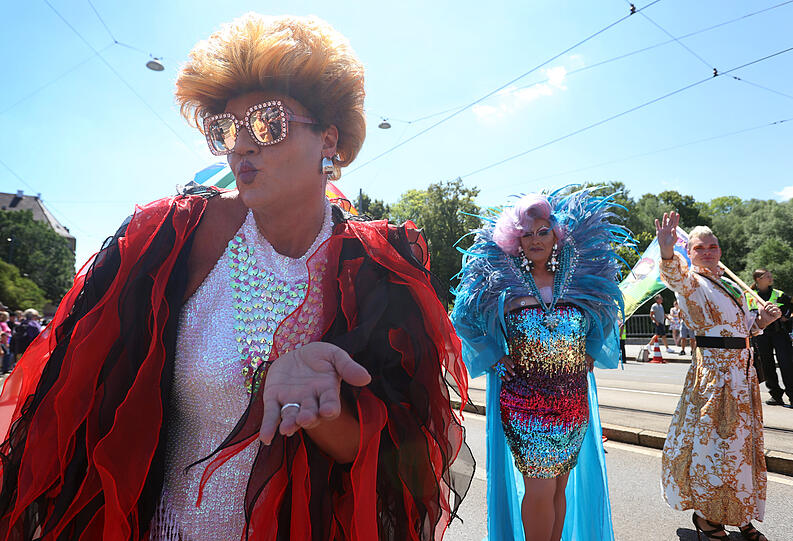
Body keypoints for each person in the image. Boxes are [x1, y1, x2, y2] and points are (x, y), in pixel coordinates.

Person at [0, 14, 472, 540]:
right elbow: (73, 411)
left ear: (329, 142)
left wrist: (318, 412)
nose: (241, 145)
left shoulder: (378, 266)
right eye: (224, 129)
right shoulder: (170, 238)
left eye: (268, 123)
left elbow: (387, 458)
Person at [452, 189, 631, 541]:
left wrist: (591, 349)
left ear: (557, 235)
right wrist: (495, 358)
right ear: (515, 239)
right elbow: (465, 319)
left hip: (572, 400)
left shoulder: (581, 282)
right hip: (524, 402)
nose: (535, 240)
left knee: (558, 488)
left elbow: (607, 313)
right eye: (527, 233)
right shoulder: (500, 284)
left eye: (542, 231)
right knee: (538, 489)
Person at [656, 213, 781, 541]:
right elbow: (674, 277)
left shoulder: (729, 283)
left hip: (742, 379)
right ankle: (709, 519)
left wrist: (761, 322)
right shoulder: (692, 282)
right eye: (701, 247)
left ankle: (740, 515)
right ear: (691, 252)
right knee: (715, 452)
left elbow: (740, 330)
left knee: (742, 451)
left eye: (714, 246)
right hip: (715, 379)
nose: (709, 251)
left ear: (720, 251)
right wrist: (668, 252)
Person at [748, 269, 793, 407]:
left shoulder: (780, 295)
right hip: (761, 335)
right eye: (767, 276)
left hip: (779, 334)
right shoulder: (749, 296)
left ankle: (792, 395)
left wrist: (785, 317)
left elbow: (790, 309)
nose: (770, 278)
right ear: (758, 279)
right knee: (767, 365)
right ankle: (775, 395)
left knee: (787, 364)